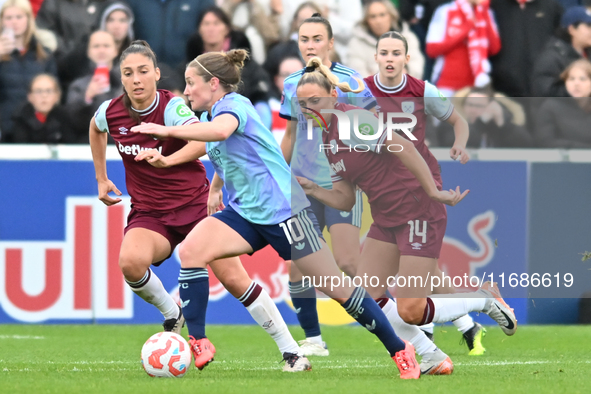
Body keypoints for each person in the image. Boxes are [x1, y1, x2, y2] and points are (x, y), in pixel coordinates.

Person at [131, 48, 422, 379]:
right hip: (246, 214)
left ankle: (400, 349)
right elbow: (228, 155)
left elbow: (221, 133)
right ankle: (199, 340)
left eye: (190, 83)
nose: (186, 91)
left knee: (338, 288)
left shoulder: (234, 106)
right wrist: (174, 165)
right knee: (192, 250)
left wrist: (166, 132)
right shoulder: (214, 115)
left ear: (213, 83)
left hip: (285, 212)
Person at [89, 40, 309, 372]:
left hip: (193, 205)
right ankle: (172, 313)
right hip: (150, 212)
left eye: (143, 72)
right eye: (128, 73)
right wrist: (101, 178)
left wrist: (167, 159)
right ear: (121, 78)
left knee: (234, 278)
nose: (136, 80)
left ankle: (290, 350)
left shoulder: (174, 108)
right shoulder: (110, 111)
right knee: (130, 263)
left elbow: (204, 141)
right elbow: (95, 128)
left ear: (156, 75)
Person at [294, 56, 518, 372]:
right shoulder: (326, 139)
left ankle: (484, 298)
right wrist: (313, 190)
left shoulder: (354, 121)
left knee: (411, 309)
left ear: (334, 96)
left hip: (417, 210)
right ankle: (433, 357)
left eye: (315, 100)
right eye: (302, 104)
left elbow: (405, 147)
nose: (308, 109)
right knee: (366, 298)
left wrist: (432, 191)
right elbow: (345, 200)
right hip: (386, 218)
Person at [363, 31, 499, 360]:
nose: (390, 58)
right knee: (407, 280)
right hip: (385, 195)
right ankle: (469, 318)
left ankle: (431, 343)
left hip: (420, 191)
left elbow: (458, 120)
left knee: (412, 291)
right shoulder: (362, 91)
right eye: (385, 53)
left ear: (407, 58)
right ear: (376, 57)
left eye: (397, 52)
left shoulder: (423, 91)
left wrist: (460, 144)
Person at [280, 13, 373, 356]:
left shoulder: (351, 81)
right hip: (303, 186)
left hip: (341, 184)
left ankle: (410, 323)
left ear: (331, 43)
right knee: (297, 264)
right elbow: (290, 134)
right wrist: (279, 175)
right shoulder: (292, 83)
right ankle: (315, 340)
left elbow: (368, 124)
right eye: (304, 39)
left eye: (317, 39)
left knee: (349, 263)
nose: (310, 45)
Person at [186, 6, 272, 128]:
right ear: (199, 29)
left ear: (227, 29)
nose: (211, 28)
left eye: (216, 23)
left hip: (241, 127)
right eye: (206, 24)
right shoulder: (189, 66)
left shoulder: (248, 66)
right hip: (202, 123)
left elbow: (221, 132)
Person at [0, 0, 57, 141]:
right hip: (5, 129)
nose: (14, 22)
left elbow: (55, 94)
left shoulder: (45, 54)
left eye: (19, 17)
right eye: (8, 18)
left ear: (29, 19)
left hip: (38, 131)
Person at [426, 0, 500, 97]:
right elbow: (432, 49)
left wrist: (485, 12)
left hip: (475, 86)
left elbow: (494, 48)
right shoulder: (446, 10)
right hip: (447, 84)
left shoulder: (487, 12)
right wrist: (465, 30)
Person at [489, 0, 563, 97]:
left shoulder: (551, 6)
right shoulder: (495, 6)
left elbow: (561, 41)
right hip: (504, 85)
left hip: (542, 85)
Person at [66, 30, 122, 142]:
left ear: (116, 51)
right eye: (96, 46)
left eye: (106, 46)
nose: (101, 50)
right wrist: (86, 98)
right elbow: (71, 121)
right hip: (89, 146)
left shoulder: (128, 82)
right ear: (88, 52)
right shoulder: (78, 86)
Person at [124, 0, 214, 67]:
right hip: (144, 70)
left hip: (188, 72)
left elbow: (214, 23)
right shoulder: (133, 2)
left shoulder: (201, 2)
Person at [347, 0, 423, 79]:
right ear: (366, 21)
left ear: (391, 16)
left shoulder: (408, 38)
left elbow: (416, 68)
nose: (378, 21)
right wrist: (396, 72)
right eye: (373, 16)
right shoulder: (356, 43)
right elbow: (357, 76)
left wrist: (376, 74)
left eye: (382, 15)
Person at [437, 86, 533, 148]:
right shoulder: (451, 122)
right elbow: (453, 143)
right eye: (469, 105)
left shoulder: (498, 125)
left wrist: (504, 126)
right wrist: (481, 122)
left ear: (490, 107)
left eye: (478, 106)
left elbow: (525, 144)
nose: (473, 110)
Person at [532, 7, 591, 97]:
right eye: (588, 26)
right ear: (572, 29)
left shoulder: (587, 52)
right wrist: (579, 89)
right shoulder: (551, 58)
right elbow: (545, 91)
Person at [534, 59, 591, 148]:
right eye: (571, 79)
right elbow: (545, 142)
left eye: (582, 79)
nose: (576, 83)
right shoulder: (550, 107)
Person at [11, 73, 76, 143]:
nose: (44, 95)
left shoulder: (66, 118)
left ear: (57, 96)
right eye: (38, 91)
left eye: (49, 91)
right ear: (30, 97)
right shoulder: (20, 118)